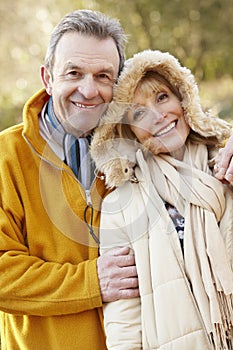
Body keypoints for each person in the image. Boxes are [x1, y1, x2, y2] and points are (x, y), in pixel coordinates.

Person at [0, 9, 139, 350]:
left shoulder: (138, 147)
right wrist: (92, 281)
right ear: (48, 78)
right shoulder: (7, 155)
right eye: (74, 73)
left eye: (103, 76)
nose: (89, 90)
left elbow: (199, 148)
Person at [91, 49, 233, 349]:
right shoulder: (120, 205)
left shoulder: (225, 162)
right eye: (139, 113)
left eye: (162, 97)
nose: (159, 117)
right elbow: (124, 319)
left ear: (183, 98)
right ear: (129, 131)